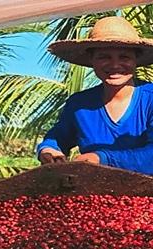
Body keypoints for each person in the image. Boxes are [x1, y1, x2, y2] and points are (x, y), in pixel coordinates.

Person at [37, 16, 153, 175]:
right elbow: (58, 136)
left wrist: (101, 158)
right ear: (91, 60)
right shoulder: (79, 104)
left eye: (124, 57)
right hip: (92, 188)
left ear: (136, 60)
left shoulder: (150, 99)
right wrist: (48, 149)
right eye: (104, 57)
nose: (115, 65)